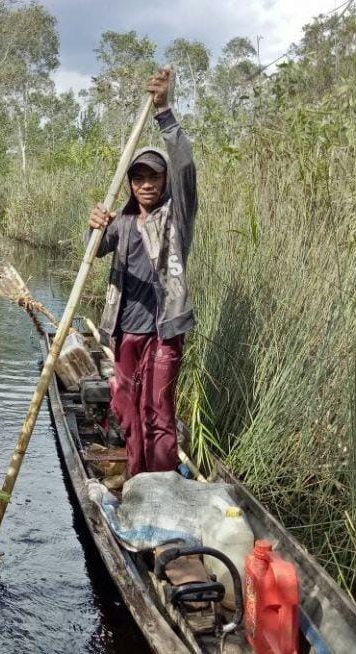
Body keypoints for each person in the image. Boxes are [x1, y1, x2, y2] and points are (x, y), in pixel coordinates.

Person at [87, 66, 197, 478]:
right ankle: (137, 480)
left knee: (158, 413)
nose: (146, 184)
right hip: (126, 332)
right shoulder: (122, 223)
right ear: (130, 183)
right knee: (126, 409)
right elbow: (93, 252)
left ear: (164, 181)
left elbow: (185, 167)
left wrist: (164, 111)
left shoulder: (176, 217)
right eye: (138, 178)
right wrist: (94, 226)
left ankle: (163, 486)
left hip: (164, 331)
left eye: (154, 177)